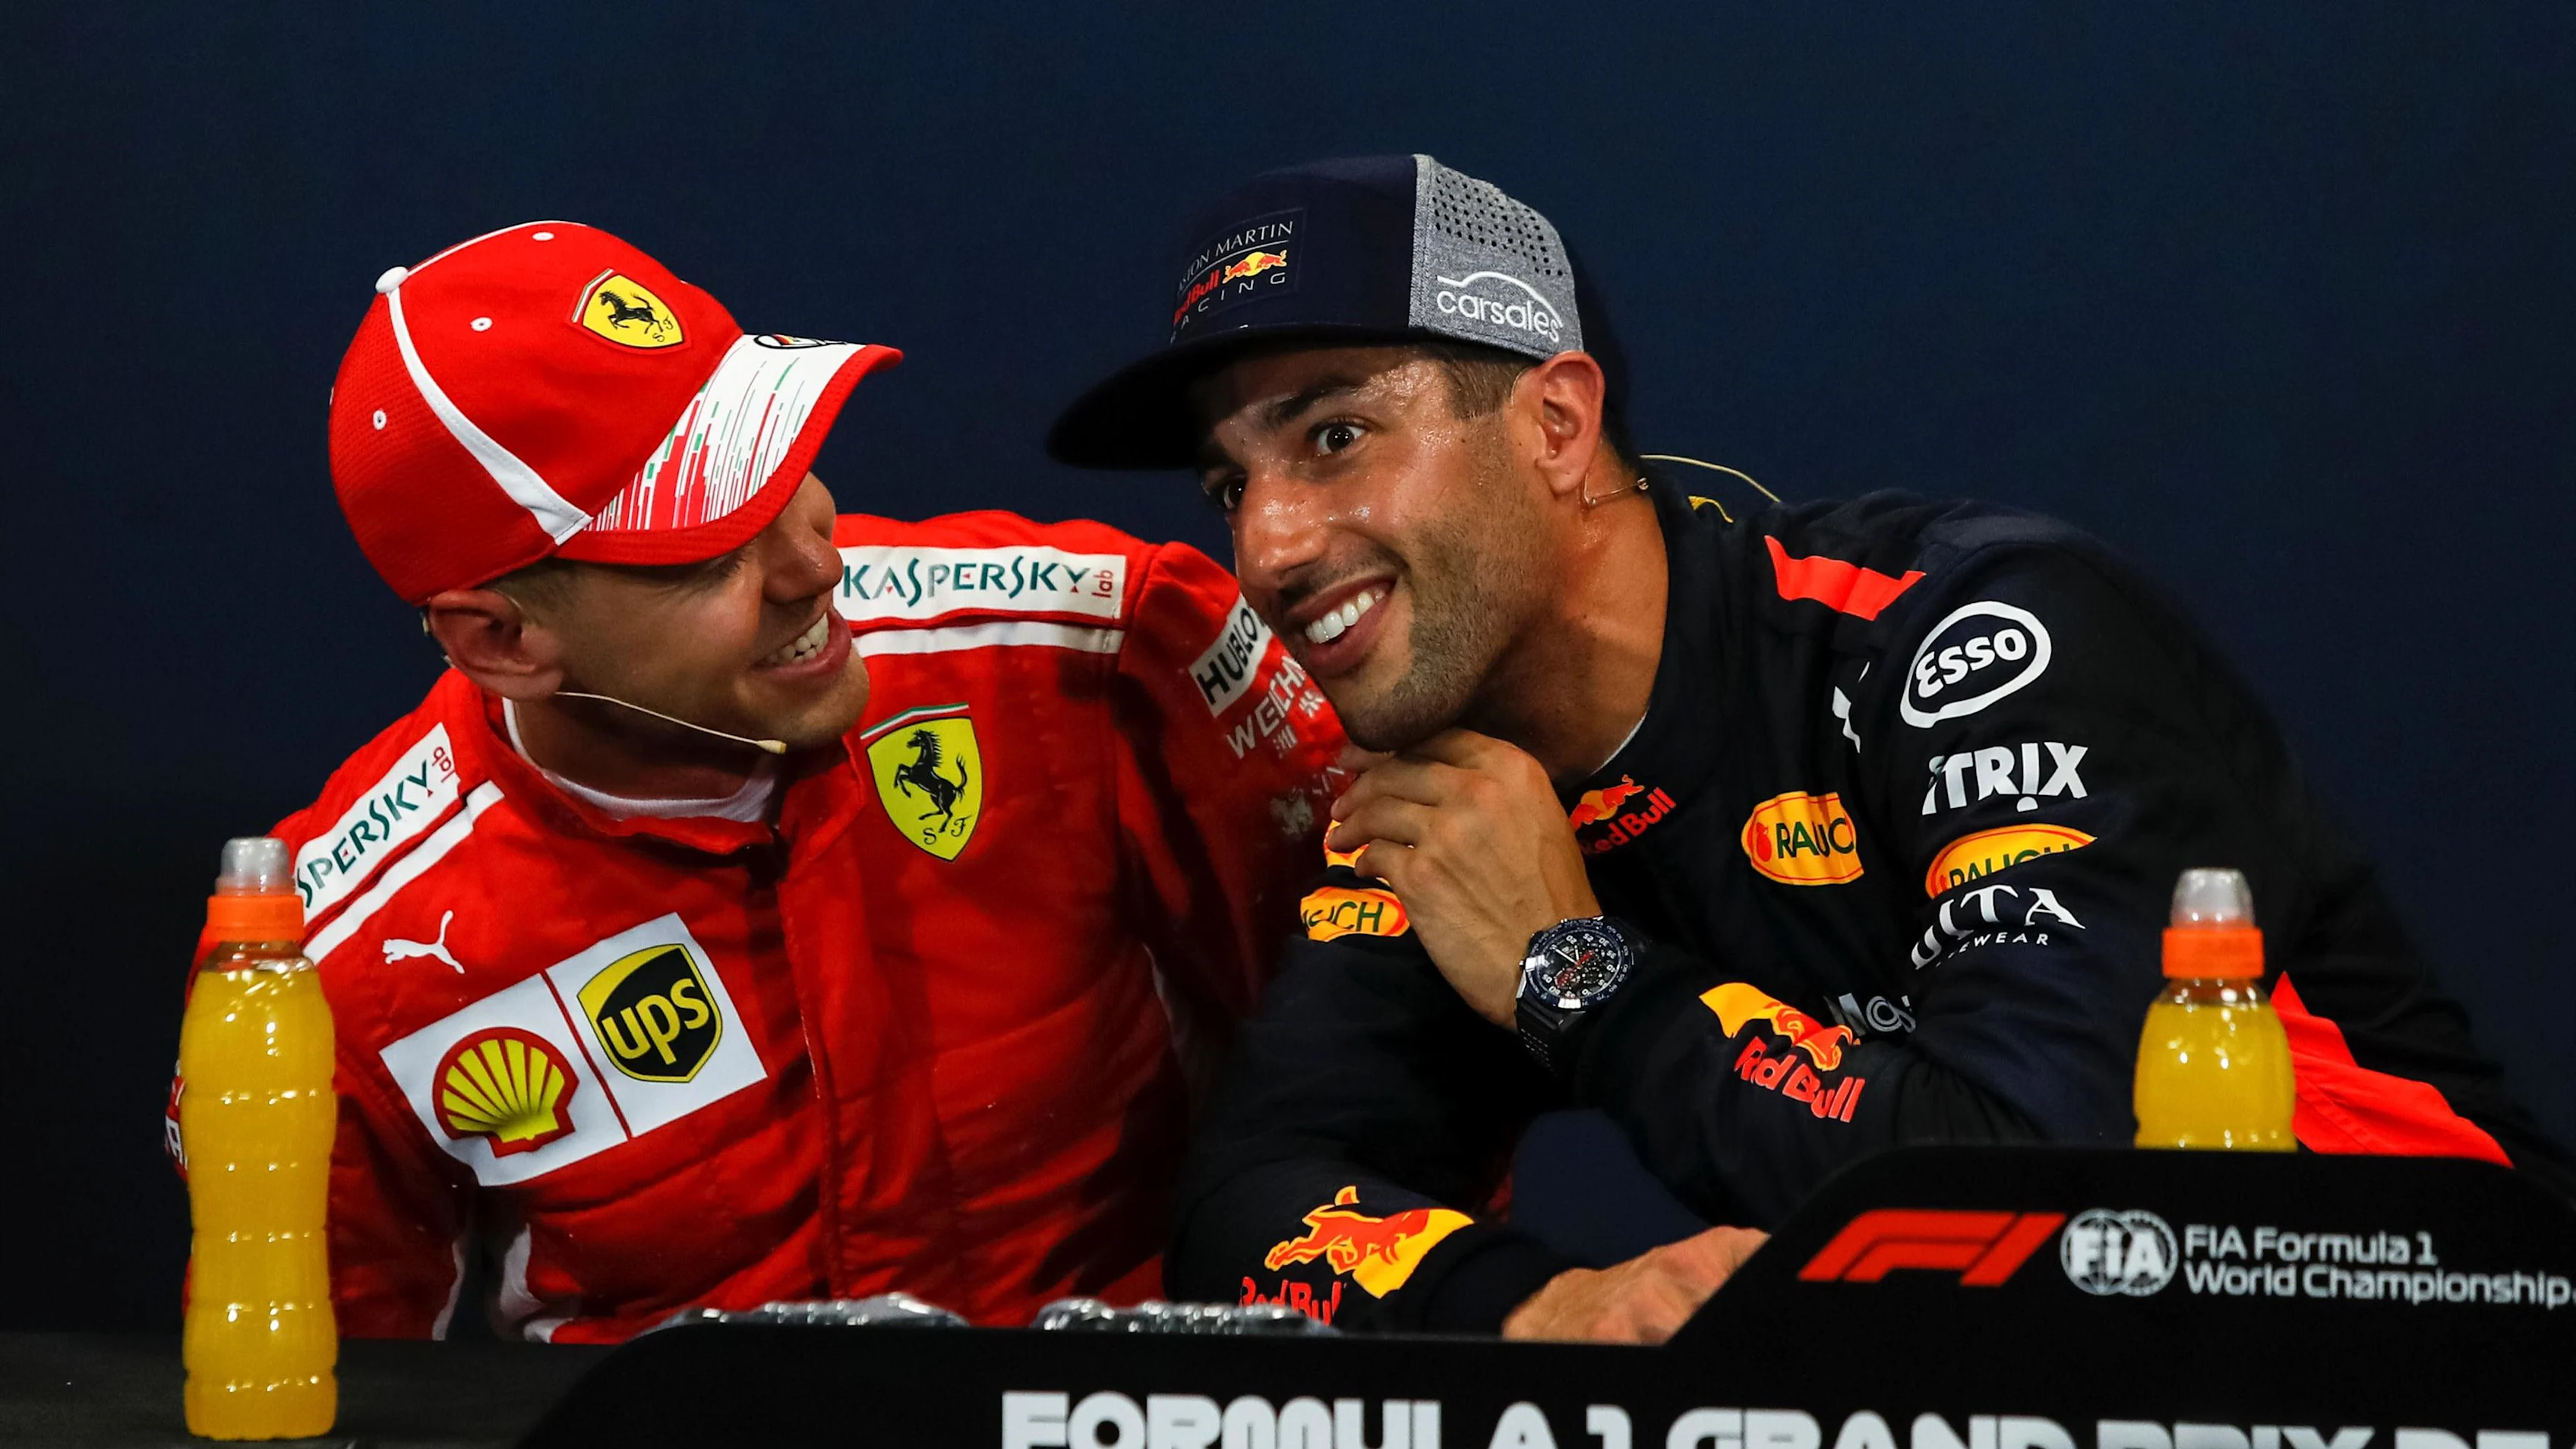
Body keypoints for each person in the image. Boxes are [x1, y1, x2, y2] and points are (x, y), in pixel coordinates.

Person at [1046, 154, 2576, 1342]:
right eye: (1226, 485)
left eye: (1329, 437)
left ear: (1557, 425)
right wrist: (1535, 1306)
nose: (1267, 546)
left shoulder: (1968, 641)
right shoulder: (1456, 788)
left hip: (2433, 1343)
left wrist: (1573, 972)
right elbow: (1257, 1199)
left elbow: (2036, 1193)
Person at [166, 221, 1342, 1342]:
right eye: (708, 545)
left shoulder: (1096, 641)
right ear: (502, 642)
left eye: (781, 462)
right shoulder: (332, 964)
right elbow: (327, 1397)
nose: (813, 559)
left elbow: (1373, 1104)